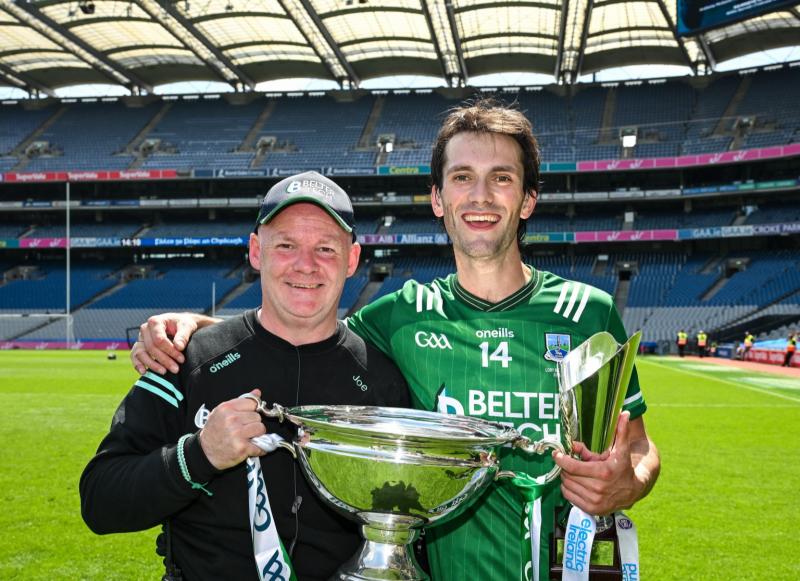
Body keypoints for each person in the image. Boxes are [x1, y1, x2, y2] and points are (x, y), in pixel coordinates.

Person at [131, 100, 660, 581]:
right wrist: (198, 326)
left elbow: (636, 447)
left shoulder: (589, 314)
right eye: (461, 177)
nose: (480, 196)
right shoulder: (398, 317)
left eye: (501, 178)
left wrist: (628, 481)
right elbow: (299, 330)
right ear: (437, 198)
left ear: (527, 200)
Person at [80, 171, 410, 581]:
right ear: (256, 251)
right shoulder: (186, 358)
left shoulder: (384, 382)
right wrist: (200, 455)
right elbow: (100, 501)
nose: (305, 265)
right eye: (286, 245)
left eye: (325, 248)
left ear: (353, 259)